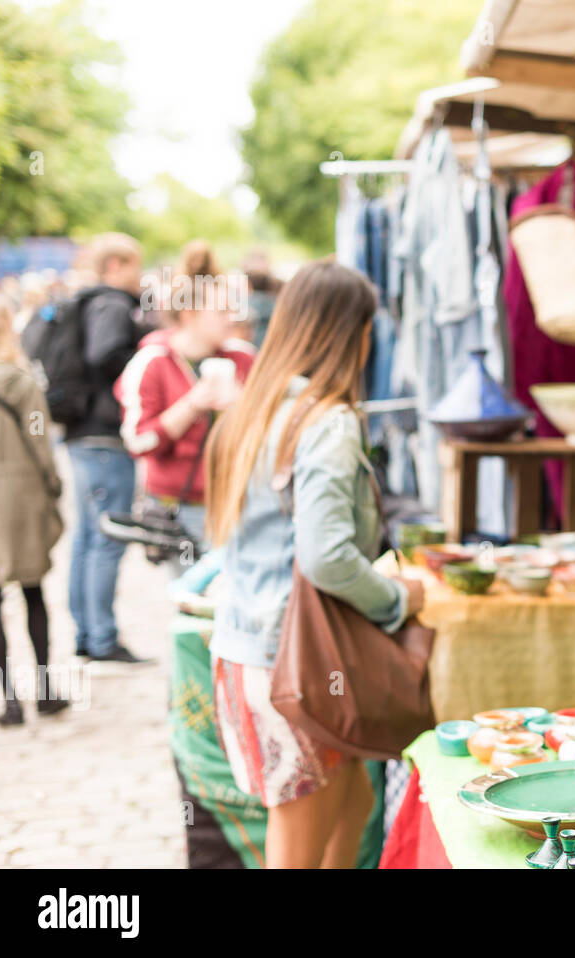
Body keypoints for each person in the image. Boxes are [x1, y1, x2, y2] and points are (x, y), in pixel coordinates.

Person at [204, 260, 426, 868]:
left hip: (252, 656)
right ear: (350, 332)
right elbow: (326, 558)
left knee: (350, 805)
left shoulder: (249, 413)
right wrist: (400, 598)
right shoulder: (326, 421)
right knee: (298, 849)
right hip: (295, 667)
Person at [116, 241, 254, 552]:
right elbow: (138, 441)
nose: (231, 318)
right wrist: (193, 404)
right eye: (221, 310)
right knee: (190, 596)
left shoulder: (245, 358)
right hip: (179, 508)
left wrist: (243, 405)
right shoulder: (152, 361)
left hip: (237, 503)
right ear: (190, 313)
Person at [64, 233, 148, 663]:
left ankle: (87, 633)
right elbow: (106, 354)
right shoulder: (113, 304)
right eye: (135, 265)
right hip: (103, 436)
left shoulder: (84, 301)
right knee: (107, 538)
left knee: (86, 537)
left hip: (82, 434)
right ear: (115, 264)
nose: (140, 274)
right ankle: (101, 639)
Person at [0, 295, 68, 726]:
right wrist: (53, 485)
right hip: (20, 494)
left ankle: (9, 701)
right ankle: (45, 688)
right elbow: (40, 436)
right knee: (33, 590)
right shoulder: (20, 381)